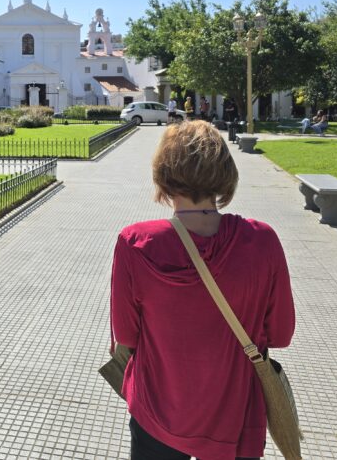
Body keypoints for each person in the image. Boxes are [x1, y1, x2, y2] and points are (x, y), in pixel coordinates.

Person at [110, 121, 295, 460]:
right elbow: (281, 334)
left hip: (158, 410)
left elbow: (126, 335)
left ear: (163, 175)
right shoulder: (262, 240)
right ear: (225, 173)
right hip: (235, 418)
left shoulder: (135, 243)